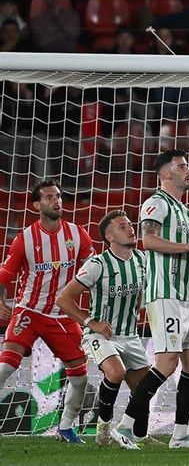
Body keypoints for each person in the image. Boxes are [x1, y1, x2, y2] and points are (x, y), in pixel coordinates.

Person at [113, 149, 189, 449]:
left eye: (188, 165)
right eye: (181, 166)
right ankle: (125, 427)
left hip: (184, 297)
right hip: (164, 293)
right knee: (168, 363)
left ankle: (180, 436)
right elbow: (149, 240)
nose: (188, 170)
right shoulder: (156, 203)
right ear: (165, 174)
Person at [0, 180, 94, 444]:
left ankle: (65, 428)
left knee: (80, 375)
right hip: (29, 310)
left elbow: (94, 271)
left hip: (63, 316)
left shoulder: (78, 235)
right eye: (50, 197)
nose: (56, 201)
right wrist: (2, 302)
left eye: (59, 197)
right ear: (36, 205)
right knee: (6, 364)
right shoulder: (25, 239)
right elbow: (4, 276)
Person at [55, 210, 150, 449]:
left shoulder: (142, 260)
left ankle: (139, 436)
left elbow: (139, 294)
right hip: (100, 334)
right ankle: (103, 429)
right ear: (110, 237)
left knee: (144, 389)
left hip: (130, 335)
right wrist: (90, 323)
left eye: (130, 224)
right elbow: (64, 299)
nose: (130, 229)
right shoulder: (97, 264)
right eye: (122, 227)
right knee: (116, 373)